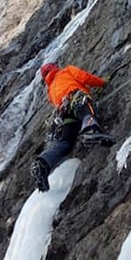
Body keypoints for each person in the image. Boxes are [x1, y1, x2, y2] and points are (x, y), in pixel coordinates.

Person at [31, 62, 111, 192]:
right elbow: (84, 77)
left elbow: (56, 102)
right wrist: (102, 82)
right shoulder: (66, 71)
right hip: (75, 98)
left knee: (66, 143)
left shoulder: (50, 90)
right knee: (86, 112)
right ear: (54, 68)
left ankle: (43, 162)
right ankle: (90, 131)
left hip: (63, 112)